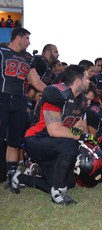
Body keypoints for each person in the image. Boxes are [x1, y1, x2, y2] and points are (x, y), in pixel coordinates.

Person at [7, 65, 96, 206]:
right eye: (86, 78)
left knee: (69, 183)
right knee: (70, 146)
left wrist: (79, 135)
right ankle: (59, 191)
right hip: (37, 139)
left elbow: (78, 127)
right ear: (78, 81)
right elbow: (54, 130)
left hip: (56, 144)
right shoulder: (56, 93)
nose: (89, 81)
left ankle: (21, 178)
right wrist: (79, 137)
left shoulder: (81, 100)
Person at [0, 28, 46, 185]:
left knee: (14, 140)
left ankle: (11, 176)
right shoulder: (2, 50)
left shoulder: (28, 58)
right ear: (18, 38)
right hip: (2, 98)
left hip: (19, 100)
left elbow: (36, 81)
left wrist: (55, 92)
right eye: (27, 38)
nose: (29, 42)